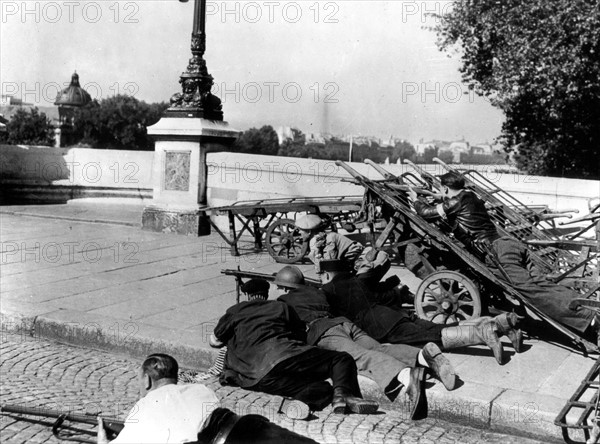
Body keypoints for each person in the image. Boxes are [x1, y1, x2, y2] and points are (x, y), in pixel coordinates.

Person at [407, 171, 596, 341]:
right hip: (508, 244)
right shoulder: (471, 196)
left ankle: (590, 319)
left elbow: (426, 213)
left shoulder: (453, 202)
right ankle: (589, 309)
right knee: (543, 285)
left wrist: (415, 199)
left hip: (496, 252)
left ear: (446, 188)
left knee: (531, 292)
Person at [274, 266, 451, 420]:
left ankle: (407, 377)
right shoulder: (316, 291)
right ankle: (422, 357)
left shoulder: (284, 302)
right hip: (345, 324)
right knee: (378, 348)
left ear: (286, 288)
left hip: (324, 332)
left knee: (360, 357)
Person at [209, 280, 379, 419]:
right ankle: (345, 395)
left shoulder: (234, 311)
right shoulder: (279, 307)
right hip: (285, 357)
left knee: (324, 388)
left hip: (255, 378)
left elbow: (215, 342)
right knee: (341, 359)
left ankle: (293, 404)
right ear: (266, 294)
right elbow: (299, 335)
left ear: (247, 295)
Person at [320, 260, 521, 365]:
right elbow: (386, 297)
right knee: (440, 327)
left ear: (327, 274)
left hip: (383, 326)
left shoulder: (328, 291)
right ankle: (501, 324)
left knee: (433, 336)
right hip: (396, 315)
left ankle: (482, 334)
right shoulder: (358, 281)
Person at [97, 353, 317, 444]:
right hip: (250, 425)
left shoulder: (145, 406)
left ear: (146, 380)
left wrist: (102, 439)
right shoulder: (198, 389)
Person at [295, 214, 391, 282]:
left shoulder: (327, 241)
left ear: (309, 232)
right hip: (364, 263)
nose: (299, 233)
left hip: (370, 263)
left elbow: (330, 268)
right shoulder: (320, 240)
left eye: (300, 230)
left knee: (358, 290)